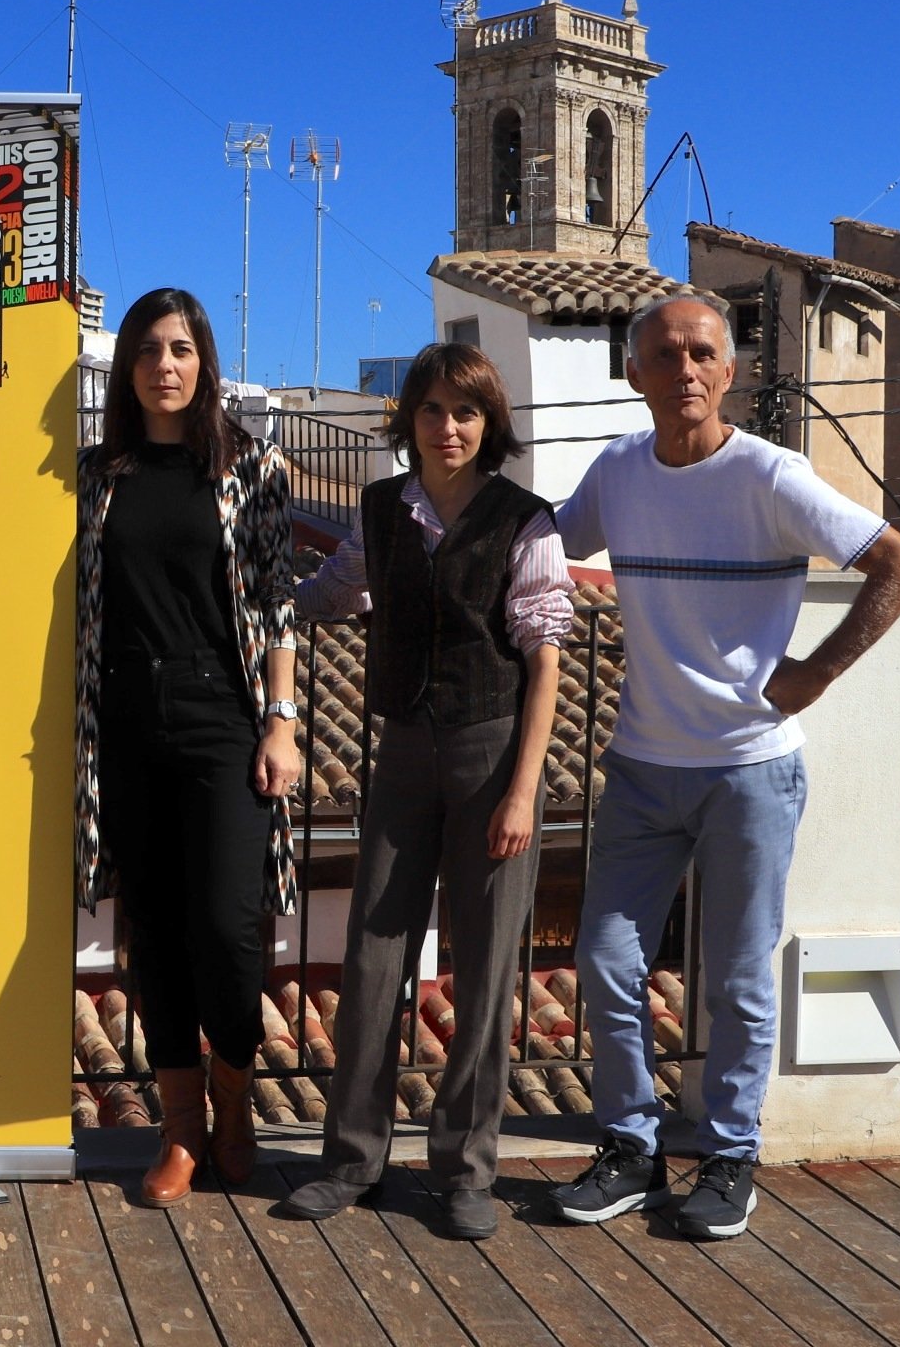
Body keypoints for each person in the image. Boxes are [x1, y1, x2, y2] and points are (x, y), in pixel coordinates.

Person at [547, 294, 900, 1240]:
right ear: (633, 374)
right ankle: (631, 1147)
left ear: (730, 372)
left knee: (739, 979)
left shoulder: (771, 477)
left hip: (750, 771)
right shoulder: (618, 473)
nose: (685, 368)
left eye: (703, 352)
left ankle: (728, 1156)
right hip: (641, 765)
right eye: (665, 354)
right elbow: (541, 550)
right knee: (603, 959)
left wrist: (819, 671)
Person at [274, 343, 572, 1239]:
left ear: (491, 426)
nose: (448, 427)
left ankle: (464, 1171)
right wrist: (256, 606)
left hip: (491, 755)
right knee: (371, 959)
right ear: (408, 420)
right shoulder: (379, 510)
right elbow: (332, 592)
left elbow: (546, 657)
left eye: (466, 413)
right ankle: (352, 1160)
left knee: (483, 971)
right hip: (401, 750)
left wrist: (524, 791)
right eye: (434, 410)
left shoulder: (526, 520)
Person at [75, 287, 304, 1210]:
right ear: (126, 369)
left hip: (222, 715)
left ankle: (235, 1106)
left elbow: (279, 600)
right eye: (146, 352)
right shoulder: (98, 474)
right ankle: (180, 1130)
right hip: (125, 723)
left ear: (203, 361)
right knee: (154, 932)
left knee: (224, 923)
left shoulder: (250, 467)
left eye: (179, 348)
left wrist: (282, 721)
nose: (164, 365)